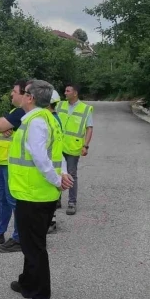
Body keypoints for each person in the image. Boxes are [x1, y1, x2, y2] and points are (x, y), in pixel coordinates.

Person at [8, 80, 72, 299]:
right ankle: (27, 283)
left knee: (34, 248)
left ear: (31, 98)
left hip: (33, 194)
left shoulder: (35, 122)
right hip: (41, 194)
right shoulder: (48, 119)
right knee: (30, 243)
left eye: (24, 93)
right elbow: (57, 153)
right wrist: (62, 175)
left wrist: (57, 179)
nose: (22, 96)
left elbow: (40, 157)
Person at [0, 80, 27, 254]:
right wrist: (2, 125)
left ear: (24, 94)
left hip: (13, 162)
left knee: (13, 200)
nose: (11, 94)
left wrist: (3, 125)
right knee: (2, 196)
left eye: (14, 91)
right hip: (4, 161)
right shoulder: (14, 112)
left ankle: (18, 238)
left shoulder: (21, 112)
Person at [56, 81, 94, 215]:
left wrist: (86, 145)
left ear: (75, 93)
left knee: (71, 174)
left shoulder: (85, 109)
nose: (65, 93)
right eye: (65, 91)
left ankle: (72, 202)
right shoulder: (60, 105)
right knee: (57, 171)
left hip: (73, 147)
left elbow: (89, 128)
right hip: (58, 145)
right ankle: (57, 199)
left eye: (68, 91)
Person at [47, 89, 62, 234]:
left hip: (50, 161)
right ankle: (50, 221)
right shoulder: (56, 117)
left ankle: (51, 222)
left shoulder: (50, 119)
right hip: (55, 161)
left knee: (49, 193)